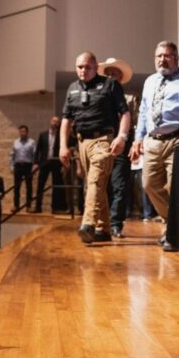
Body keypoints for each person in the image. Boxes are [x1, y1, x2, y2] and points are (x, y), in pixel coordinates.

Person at [129, 41, 179, 251]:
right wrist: (138, 138)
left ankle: (174, 232)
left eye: (166, 55)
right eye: (158, 56)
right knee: (149, 184)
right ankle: (175, 224)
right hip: (153, 142)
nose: (162, 60)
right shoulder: (150, 82)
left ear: (176, 58)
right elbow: (145, 110)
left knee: (176, 188)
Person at [60, 52, 131, 244]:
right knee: (96, 185)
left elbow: (125, 113)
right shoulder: (72, 88)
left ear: (95, 67)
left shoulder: (110, 85)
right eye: (80, 67)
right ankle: (104, 227)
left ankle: (88, 223)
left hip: (103, 140)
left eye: (87, 67)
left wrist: (121, 137)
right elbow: (66, 119)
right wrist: (63, 146)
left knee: (95, 181)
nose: (83, 70)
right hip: (82, 143)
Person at [99, 57, 138, 238]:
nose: (111, 76)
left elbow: (135, 124)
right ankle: (102, 222)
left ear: (120, 77)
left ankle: (116, 224)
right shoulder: (99, 97)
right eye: (108, 73)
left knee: (120, 186)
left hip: (122, 147)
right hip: (101, 145)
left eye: (115, 73)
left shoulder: (130, 99)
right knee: (101, 185)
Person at [34, 116, 65, 213]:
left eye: (57, 122)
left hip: (56, 162)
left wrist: (63, 164)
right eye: (53, 121)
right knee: (40, 185)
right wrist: (35, 163)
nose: (55, 123)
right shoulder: (43, 134)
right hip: (44, 162)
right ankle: (38, 207)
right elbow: (38, 150)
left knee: (56, 185)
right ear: (50, 122)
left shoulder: (61, 136)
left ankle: (55, 208)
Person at [9, 125, 36, 212]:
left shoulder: (31, 142)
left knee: (29, 187)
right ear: (19, 132)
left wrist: (34, 166)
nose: (22, 133)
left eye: (24, 131)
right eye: (21, 131)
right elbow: (12, 155)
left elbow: (35, 155)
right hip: (18, 166)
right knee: (17, 187)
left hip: (28, 166)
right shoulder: (15, 142)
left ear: (27, 132)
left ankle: (29, 206)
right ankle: (16, 205)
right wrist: (11, 166)